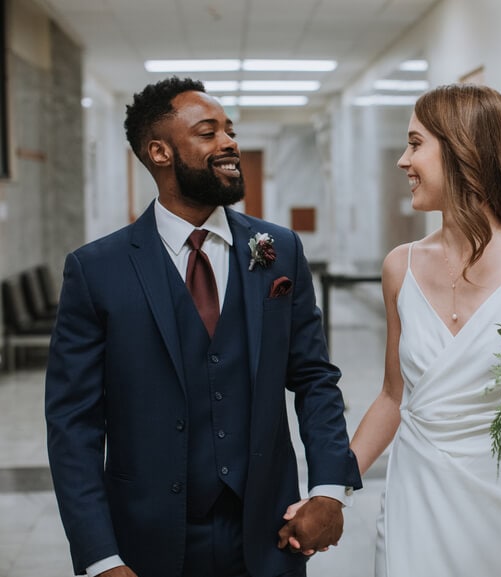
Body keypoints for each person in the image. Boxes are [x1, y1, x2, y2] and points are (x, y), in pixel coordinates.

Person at [44, 76, 361, 577]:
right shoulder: (95, 269)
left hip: (270, 530)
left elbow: (314, 377)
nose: (229, 142)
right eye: (208, 132)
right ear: (160, 152)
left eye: (230, 131)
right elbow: (74, 426)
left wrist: (328, 491)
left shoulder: (279, 249)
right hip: (148, 537)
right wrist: (100, 556)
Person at [352, 84, 501, 576]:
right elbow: (393, 397)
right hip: (415, 499)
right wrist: (333, 485)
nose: (402, 161)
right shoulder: (400, 267)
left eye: (415, 144)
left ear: (461, 150)